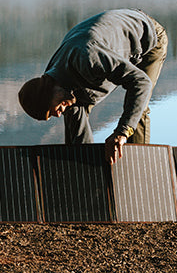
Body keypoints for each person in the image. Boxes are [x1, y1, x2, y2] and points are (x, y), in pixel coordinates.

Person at [18, 9, 168, 165]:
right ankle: (85, 166)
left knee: (137, 108)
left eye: (52, 111)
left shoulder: (89, 58)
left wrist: (122, 132)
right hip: (104, 41)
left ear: (48, 93)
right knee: (74, 109)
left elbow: (141, 82)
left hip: (148, 36)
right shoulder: (54, 80)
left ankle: (138, 168)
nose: (57, 115)